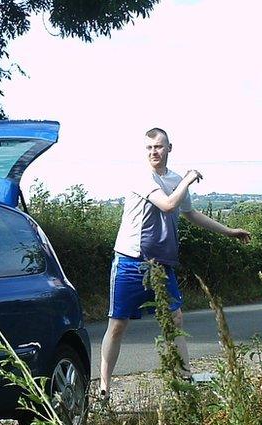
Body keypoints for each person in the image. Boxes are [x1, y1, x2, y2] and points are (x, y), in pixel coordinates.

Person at [98, 127, 251, 398]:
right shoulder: (142, 177)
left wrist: (229, 231)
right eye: (149, 148)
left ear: (169, 148)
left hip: (160, 263)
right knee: (118, 324)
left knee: (175, 319)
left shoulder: (174, 179)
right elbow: (168, 205)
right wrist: (189, 179)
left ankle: (185, 378)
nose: (154, 152)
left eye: (158, 147)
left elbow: (190, 213)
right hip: (130, 261)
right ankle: (104, 388)